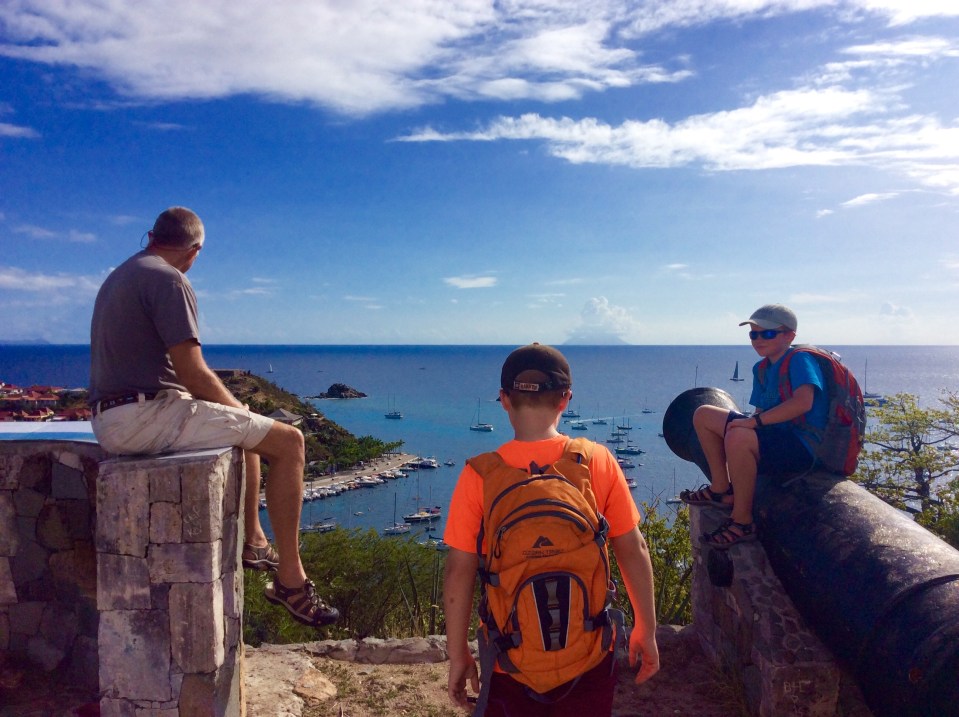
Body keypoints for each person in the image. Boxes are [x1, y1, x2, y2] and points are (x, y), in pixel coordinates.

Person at [89, 206, 338, 627]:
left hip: (111, 418)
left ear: (152, 235)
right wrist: (236, 405)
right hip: (144, 416)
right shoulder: (169, 279)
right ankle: (291, 582)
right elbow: (192, 371)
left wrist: (234, 413)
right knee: (289, 442)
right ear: (195, 250)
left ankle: (255, 543)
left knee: (249, 432)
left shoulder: (121, 275)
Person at [443, 343, 659, 716]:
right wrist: (647, 628)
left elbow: (459, 570)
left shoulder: (479, 474)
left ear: (504, 399)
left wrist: (458, 652)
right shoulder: (595, 460)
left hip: (509, 658)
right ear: (565, 400)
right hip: (589, 653)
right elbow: (632, 548)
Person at [680, 304, 827, 547]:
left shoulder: (800, 360)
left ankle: (742, 520)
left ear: (789, 335)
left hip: (803, 444)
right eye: (754, 334)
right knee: (703, 414)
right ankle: (721, 489)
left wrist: (751, 424)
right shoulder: (761, 369)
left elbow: (803, 402)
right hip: (775, 436)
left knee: (739, 436)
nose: (758, 339)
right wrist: (747, 424)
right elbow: (761, 410)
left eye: (767, 333)